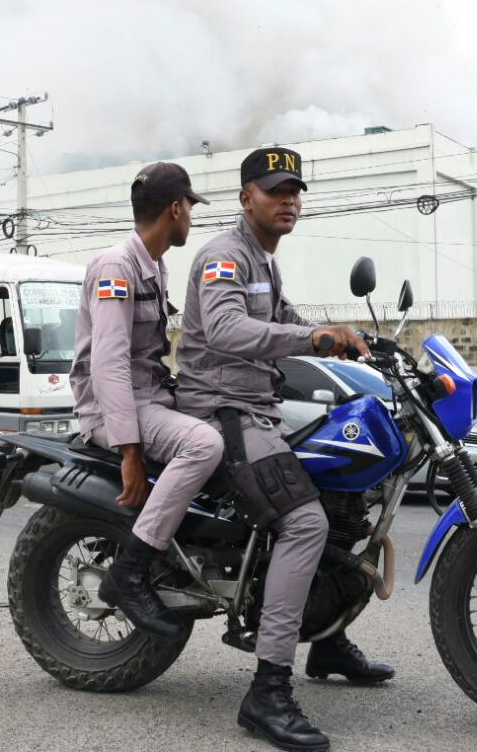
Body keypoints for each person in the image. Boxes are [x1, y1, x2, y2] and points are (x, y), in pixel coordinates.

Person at [176, 145, 389, 752]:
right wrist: (311, 335)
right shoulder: (225, 255)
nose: (289, 200)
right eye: (275, 191)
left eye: (295, 191)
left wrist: (349, 337)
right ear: (247, 198)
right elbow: (224, 329)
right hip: (223, 408)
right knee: (304, 521)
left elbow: (286, 317)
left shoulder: (264, 262)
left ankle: (327, 638)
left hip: (257, 404)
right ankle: (267, 694)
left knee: (348, 492)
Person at [70, 161, 224, 640]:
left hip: (150, 397)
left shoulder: (153, 265)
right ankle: (131, 572)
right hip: (114, 407)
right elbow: (108, 364)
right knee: (204, 445)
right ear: (174, 209)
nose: (192, 218)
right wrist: (129, 450)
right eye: (190, 208)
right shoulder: (117, 266)